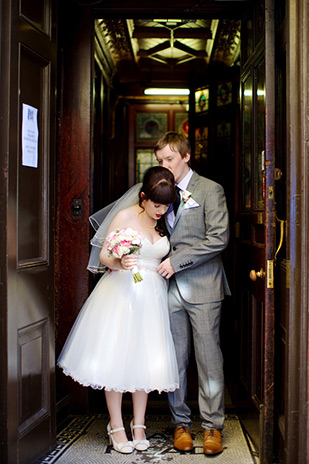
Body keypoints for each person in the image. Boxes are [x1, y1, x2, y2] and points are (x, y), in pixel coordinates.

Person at [58, 166, 179, 454]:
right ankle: (116, 425)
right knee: (115, 357)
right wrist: (119, 262)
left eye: (165, 206)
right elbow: (103, 255)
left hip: (152, 297)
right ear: (142, 197)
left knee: (146, 360)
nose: (160, 210)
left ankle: (139, 425)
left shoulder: (164, 222)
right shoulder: (125, 216)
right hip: (122, 293)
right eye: (156, 204)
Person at [155, 132, 231, 455]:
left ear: (186, 157)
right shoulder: (161, 191)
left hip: (203, 286)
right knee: (175, 359)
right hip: (169, 289)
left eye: (169, 159)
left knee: (208, 358)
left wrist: (177, 261)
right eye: (159, 161)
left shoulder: (211, 190)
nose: (164, 166)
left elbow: (218, 239)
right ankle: (180, 423)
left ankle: (212, 426)